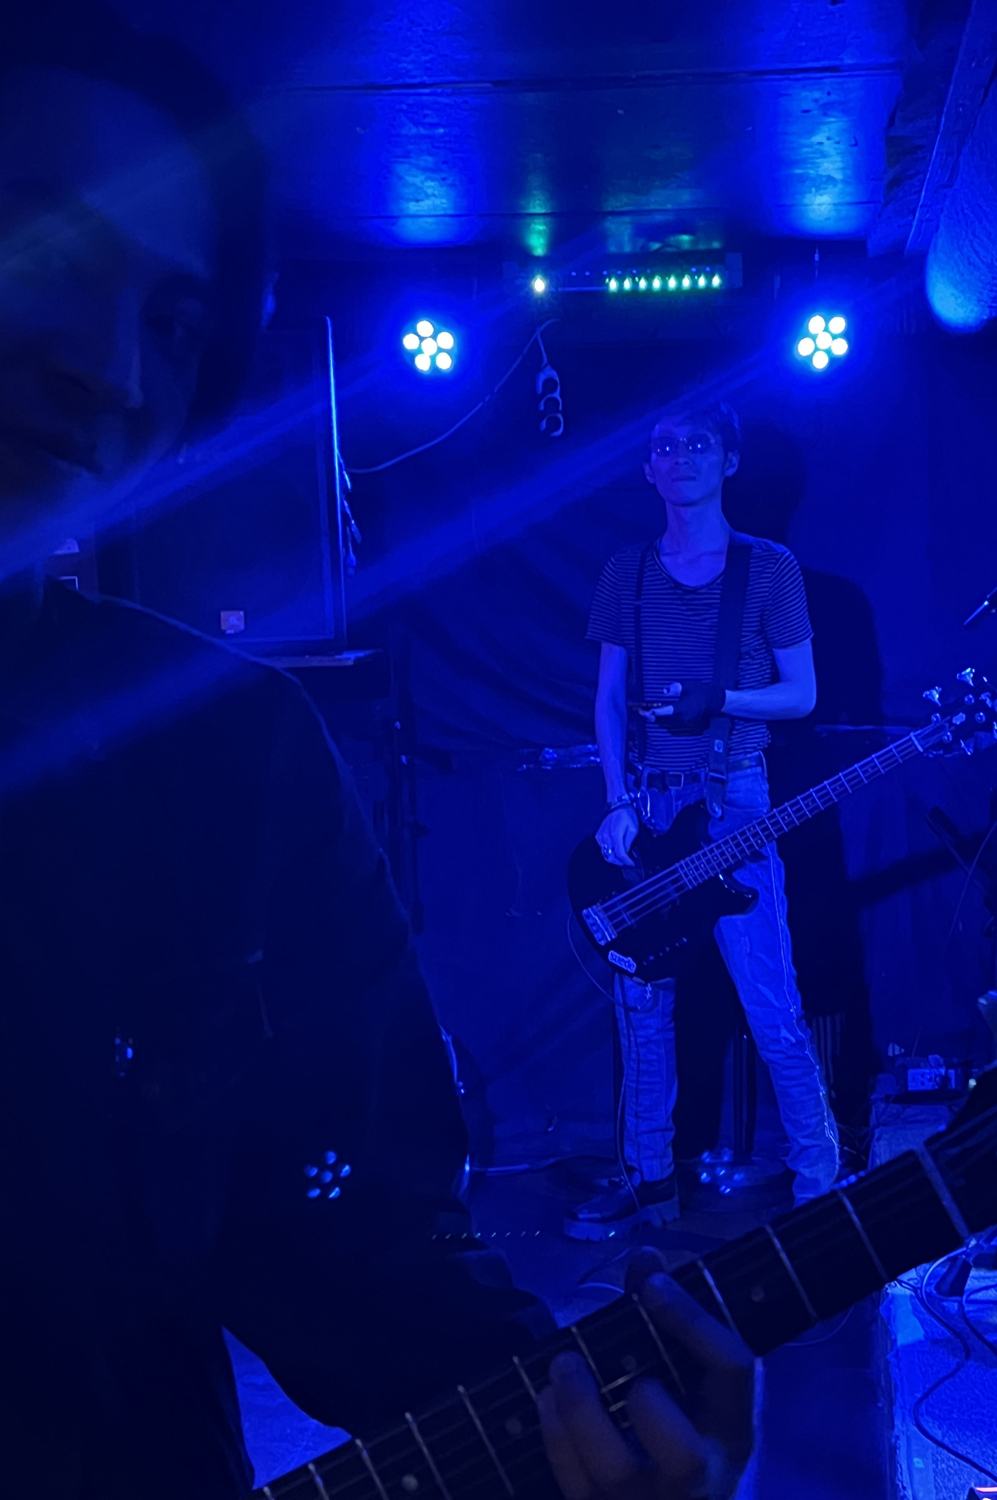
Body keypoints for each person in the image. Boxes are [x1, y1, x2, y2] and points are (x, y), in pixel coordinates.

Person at [0, 9, 755, 1497]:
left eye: (173, 320)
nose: (115, 371)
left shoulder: (219, 749)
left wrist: (579, 1430)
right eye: (47, 250)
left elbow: (344, 1233)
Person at [572, 400, 839, 1237]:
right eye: (663, 446)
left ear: (727, 460)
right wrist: (616, 802)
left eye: (697, 444)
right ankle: (647, 1181)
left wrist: (719, 698)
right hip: (648, 808)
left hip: (734, 800)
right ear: (647, 468)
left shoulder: (767, 568)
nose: (679, 457)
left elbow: (802, 694)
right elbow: (607, 700)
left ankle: (821, 1187)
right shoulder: (626, 572)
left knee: (770, 1007)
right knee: (641, 1011)